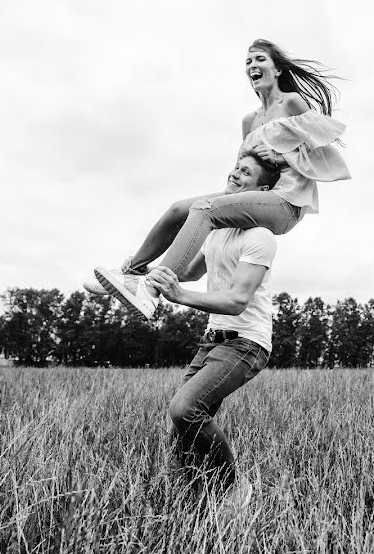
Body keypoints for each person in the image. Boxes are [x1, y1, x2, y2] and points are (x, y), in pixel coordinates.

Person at [85, 39, 349, 301]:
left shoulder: (292, 103)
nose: (252, 66)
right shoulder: (249, 121)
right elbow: (246, 167)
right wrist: (230, 192)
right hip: (259, 196)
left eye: (259, 59)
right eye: (248, 62)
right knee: (179, 209)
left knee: (205, 209)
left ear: (277, 69)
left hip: (286, 202)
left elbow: (321, 155)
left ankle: (150, 289)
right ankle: (132, 273)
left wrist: (282, 157)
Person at [104, 152, 279, 501]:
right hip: (212, 342)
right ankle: (192, 501)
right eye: (235, 168)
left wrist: (180, 296)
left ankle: (234, 489)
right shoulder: (218, 230)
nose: (235, 174)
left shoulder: (261, 236)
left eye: (246, 173)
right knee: (181, 432)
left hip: (246, 344)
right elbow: (187, 273)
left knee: (185, 410)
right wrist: (145, 269)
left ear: (261, 191)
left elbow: (236, 300)